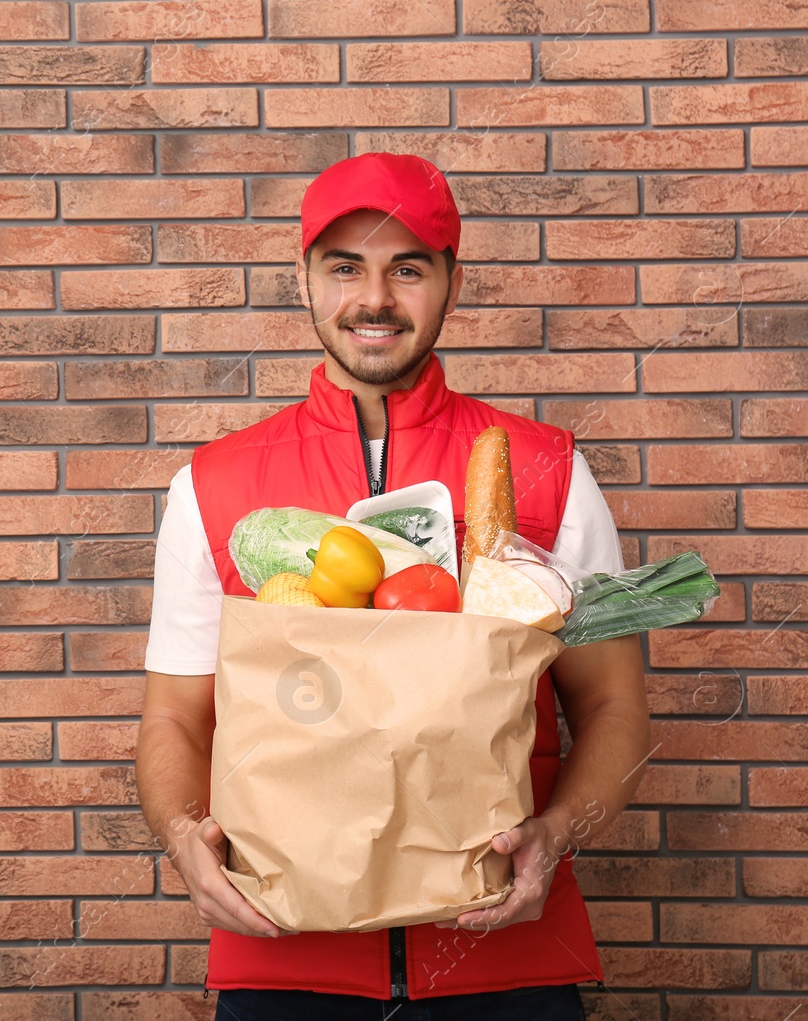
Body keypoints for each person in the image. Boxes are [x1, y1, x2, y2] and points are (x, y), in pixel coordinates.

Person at [134, 152, 652, 1020]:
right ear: (304, 279)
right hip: (284, 961)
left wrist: (556, 837)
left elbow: (615, 710)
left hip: (502, 958)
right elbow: (175, 715)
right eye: (345, 267)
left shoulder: (548, 472)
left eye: (407, 268)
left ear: (452, 280)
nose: (374, 298)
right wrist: (186, 841)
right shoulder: (214, 486)